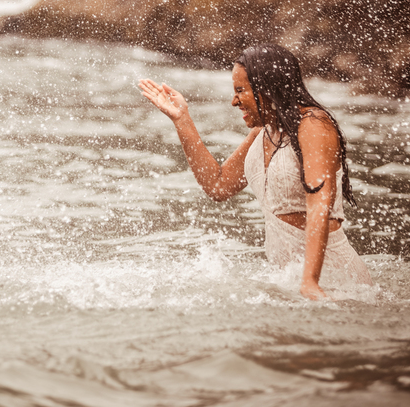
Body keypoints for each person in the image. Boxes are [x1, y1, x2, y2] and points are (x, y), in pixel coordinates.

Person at [138, 44, 371, 299]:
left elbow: (319, 204)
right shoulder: (264, 131)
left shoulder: (314, 125)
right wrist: (182, 119)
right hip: (288, 282)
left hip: (337, 284)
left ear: (267, 88)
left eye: (240, 90)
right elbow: (219, 186)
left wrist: (310, 282)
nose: (234, 101)